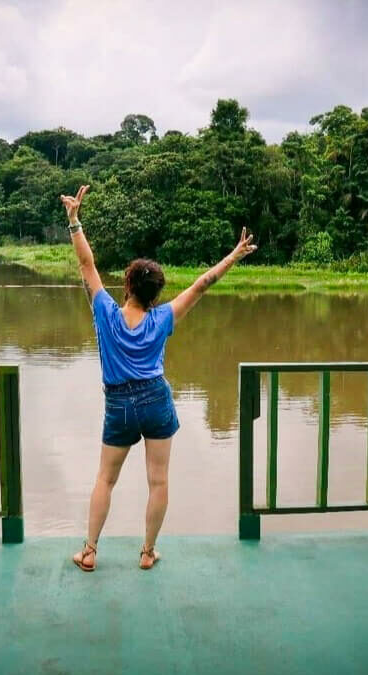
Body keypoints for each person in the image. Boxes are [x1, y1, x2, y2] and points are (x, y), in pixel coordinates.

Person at [60, 184, 257, 571]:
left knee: (106, 479)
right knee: (159, 481)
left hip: (118, 404)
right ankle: (148, 553)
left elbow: (87, 266)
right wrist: (234, 254)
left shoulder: (106, 312)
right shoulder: (163, 317)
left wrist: (74, 221)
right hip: (155, 401)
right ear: (154, 293)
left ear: (128, 286)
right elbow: (203, 283)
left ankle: (89, 551)